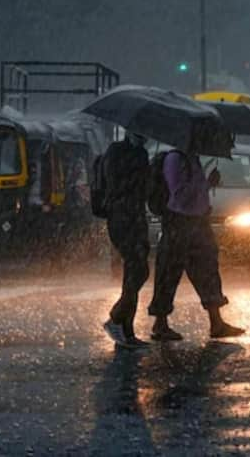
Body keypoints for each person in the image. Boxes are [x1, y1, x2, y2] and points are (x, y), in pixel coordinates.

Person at [148, 149, 245, 341]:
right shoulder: (174, 159)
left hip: (198, 221)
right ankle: (160, 323)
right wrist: (204, 185)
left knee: (207, 270)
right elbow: (178, 193)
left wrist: (209, 184)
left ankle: (216, 322)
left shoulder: (193, 159)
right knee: (169, 272)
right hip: (179, 221)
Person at [102, 132, 151, 348]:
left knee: (135, 272)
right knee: (137, 270)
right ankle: (116, 318)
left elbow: (145, 189)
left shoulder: (141, 153)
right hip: (121, 217)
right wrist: (139, 173)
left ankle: (127, 330)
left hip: (137, 216)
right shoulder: (116, 152)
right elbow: (116, 184)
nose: (143, 138)